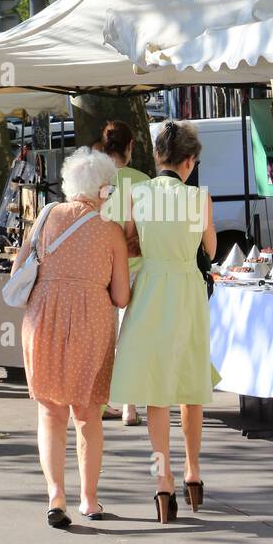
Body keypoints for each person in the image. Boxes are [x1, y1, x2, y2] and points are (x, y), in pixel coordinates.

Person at [12, 146, 130, 527]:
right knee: (88, 415)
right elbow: (122, 296)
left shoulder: (45, 216)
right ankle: (90, 499)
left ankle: (55, 496)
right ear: (102, 190)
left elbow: (19, 267)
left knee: (50, 412)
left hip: (43, 318)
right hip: (90, 322)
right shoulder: (110, 231)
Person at [108, 120, 217, 524]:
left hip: (151, 287)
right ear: (189, 161)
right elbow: (210, 247)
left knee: (156, 392)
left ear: (157, 157)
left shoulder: (138, 194)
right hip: (187, 289)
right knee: (190, 384)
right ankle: (193, 471)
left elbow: (128, 238)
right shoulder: (199, 199)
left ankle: (163, 483)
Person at [97, 120, 148, 427]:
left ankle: (102, 400)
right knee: (130, 339)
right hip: (135, 269)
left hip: (101, 269)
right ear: (130, 146)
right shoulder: (143, 181)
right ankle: (130, 405)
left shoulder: (96, 180)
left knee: (103, 339)